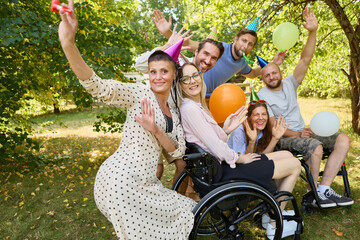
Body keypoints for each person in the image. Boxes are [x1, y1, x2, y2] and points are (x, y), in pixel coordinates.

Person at [57, 1, 196, 239]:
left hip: (147, 184)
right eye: (153, 72)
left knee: (186, 210)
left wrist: (156, 130)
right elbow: (98, 86)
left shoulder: (174, 107)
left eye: (164, 71)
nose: (157, 77)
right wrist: (68, 44)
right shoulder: (139, 94)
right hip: (121, 181)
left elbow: (176, 151)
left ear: (174, 74)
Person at [177, 62, 301, 239]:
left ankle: (270, 213)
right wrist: (238, 158)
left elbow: (208, 141)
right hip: (223, 171)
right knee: (294, 164)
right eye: (186, 78)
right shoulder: (190, 109)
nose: (192, 81)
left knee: (286, 155)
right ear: (180, 84)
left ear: (200, 76)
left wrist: (226, 129)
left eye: (195, 75)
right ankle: (274, 223)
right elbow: (214, 146)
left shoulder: (194, 107)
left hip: (218, 165)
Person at [257, 7, 353, 208]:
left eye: (274, 73)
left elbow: (305, 59)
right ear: (263, 79)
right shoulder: (262, 96)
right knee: (315, 147)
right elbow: (274, 127)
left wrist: (312, 32)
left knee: (343, 139)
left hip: (303, 134)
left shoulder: (291, 82)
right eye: (267, 75)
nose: (271, 77)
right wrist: (299, 134)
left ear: (280, 72)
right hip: (284, 139)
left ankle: (323, 189)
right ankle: (311, 195)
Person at [152, 9, 286, 99]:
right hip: (189, 94)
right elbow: (184, 43)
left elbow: (254, 74)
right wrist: (166, 32)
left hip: (209, 99)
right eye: (244, 41)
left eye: (250, 44)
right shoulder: (217, 48)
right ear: (236, 39)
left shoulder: (241, 64)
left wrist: (273, 63)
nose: (245, 46)